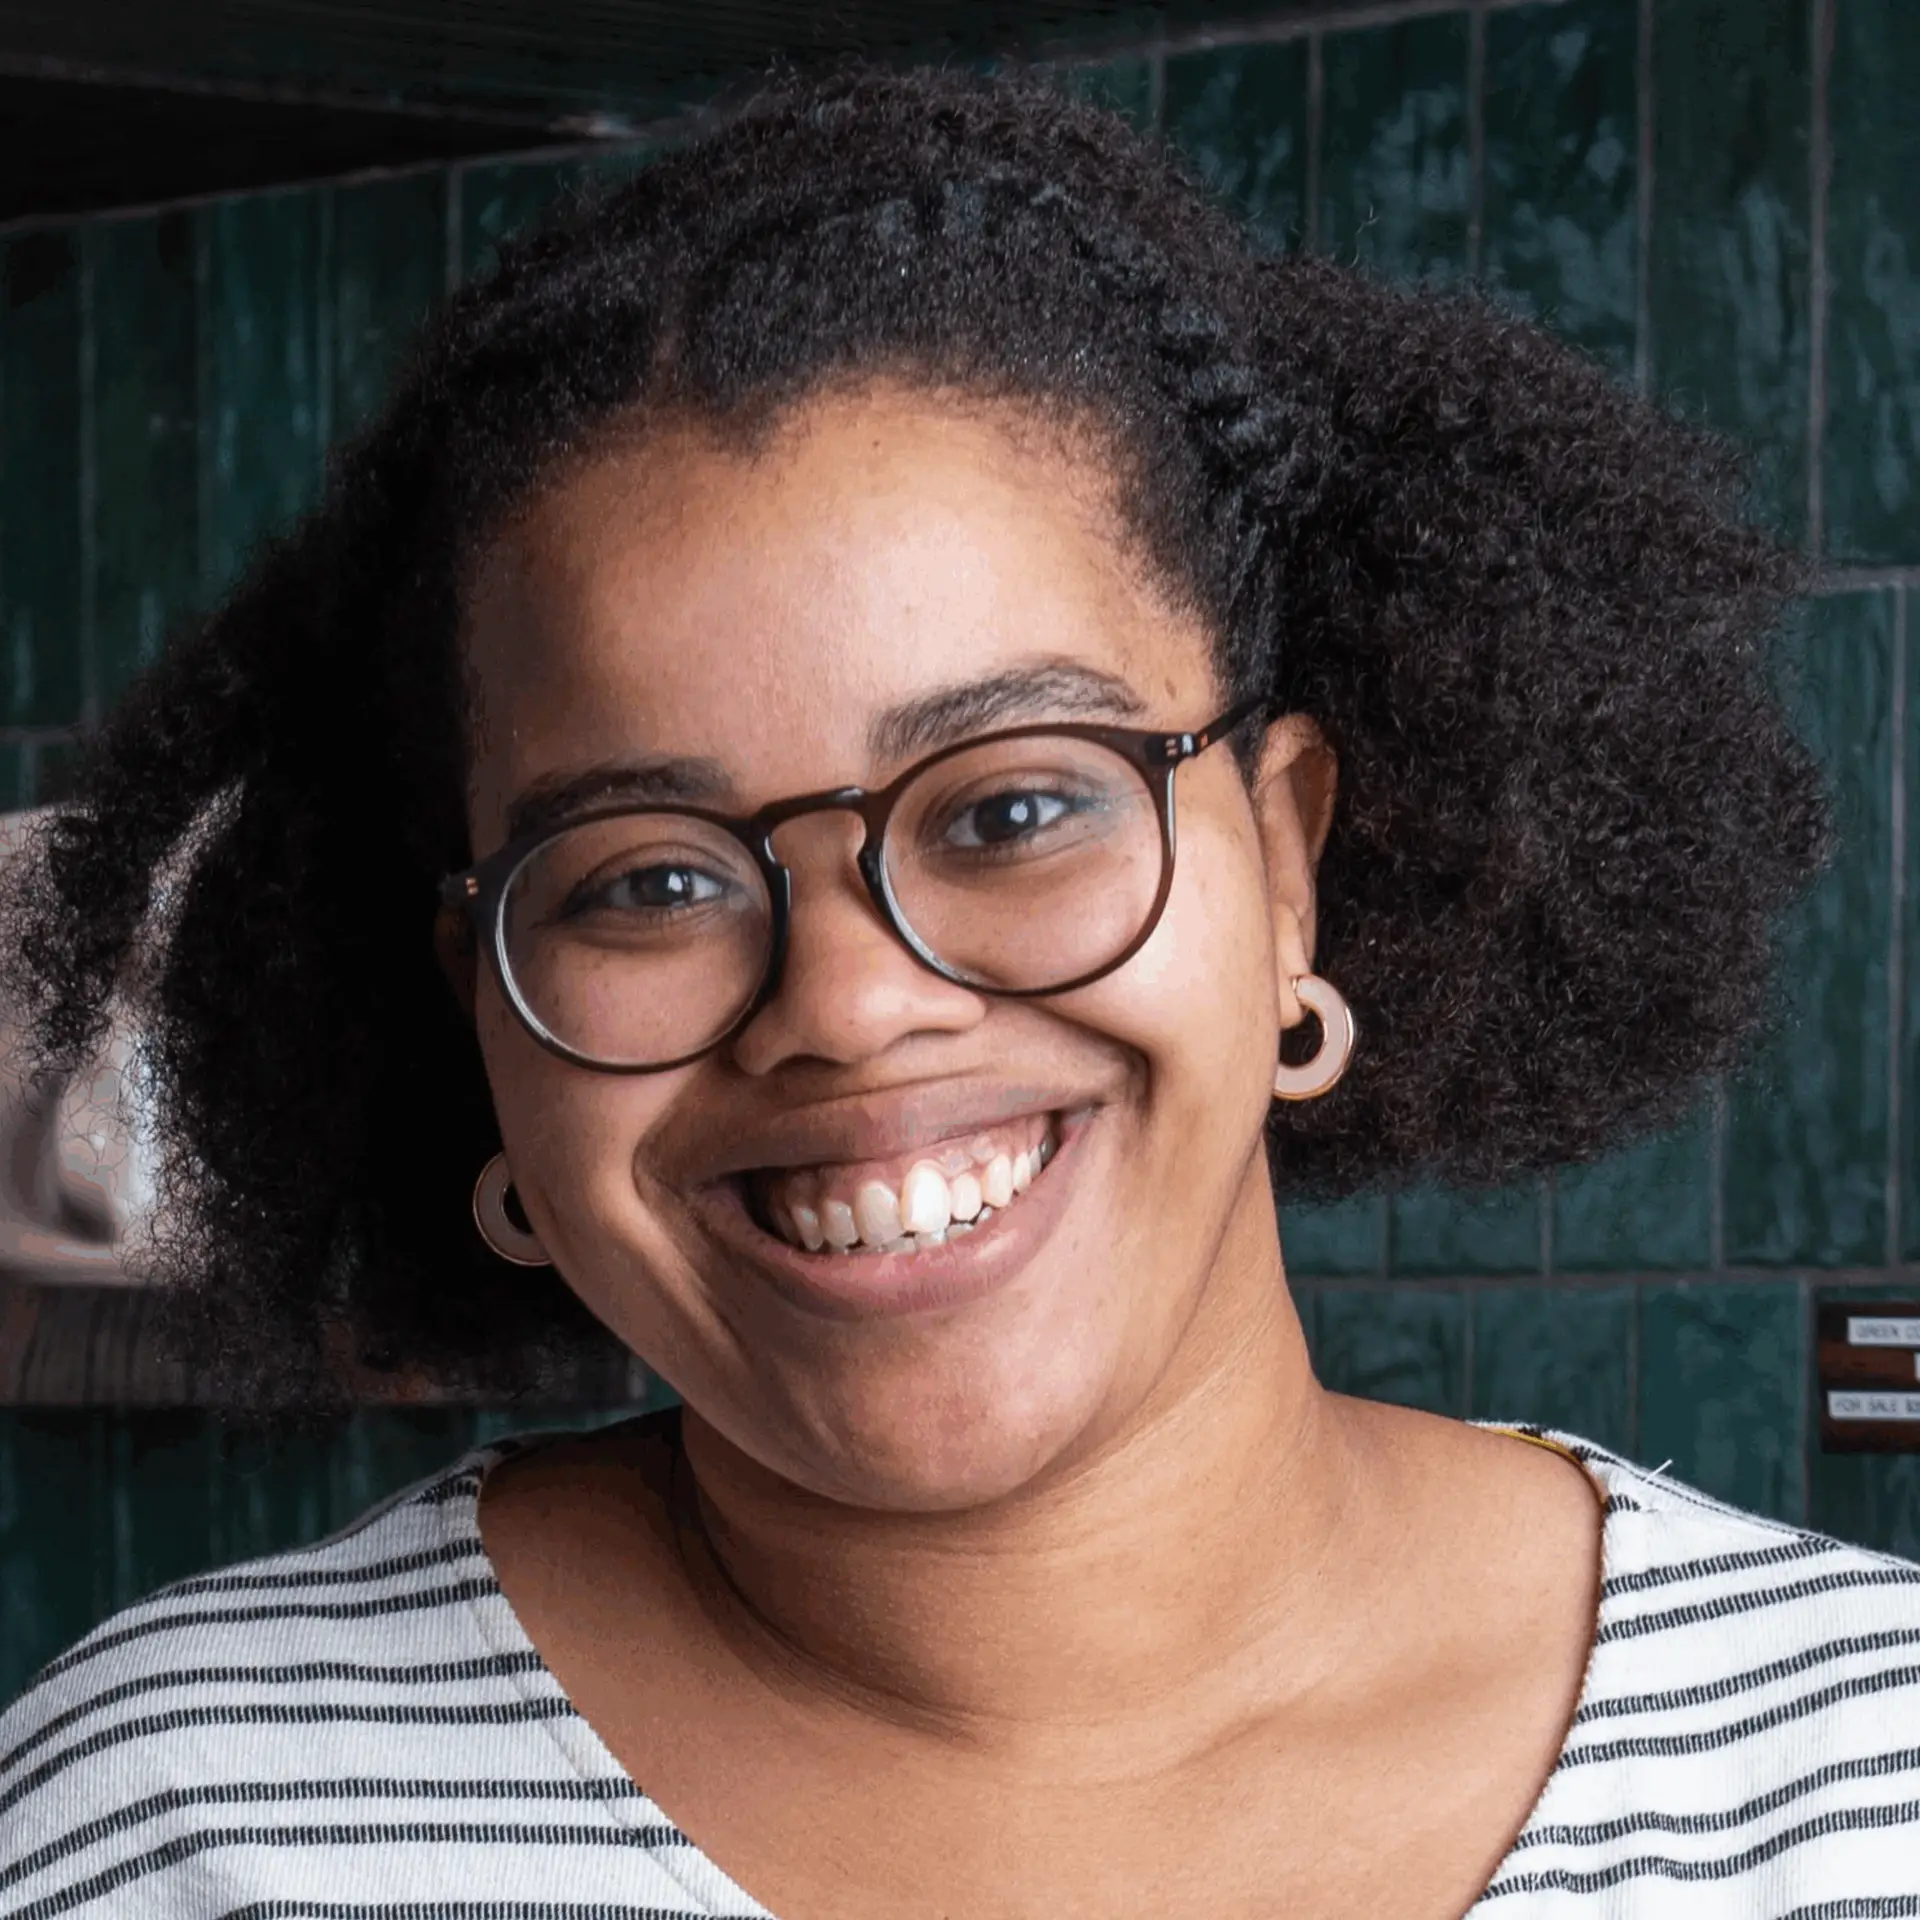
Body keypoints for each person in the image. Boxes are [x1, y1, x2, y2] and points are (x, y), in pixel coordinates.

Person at [1, 61, 1914, 1919]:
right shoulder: (179, 1831)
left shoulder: (1862, 1781)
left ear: (1290, 870)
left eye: (1010, 806)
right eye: (652, 878)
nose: (844, 1002)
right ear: (485, 1015)